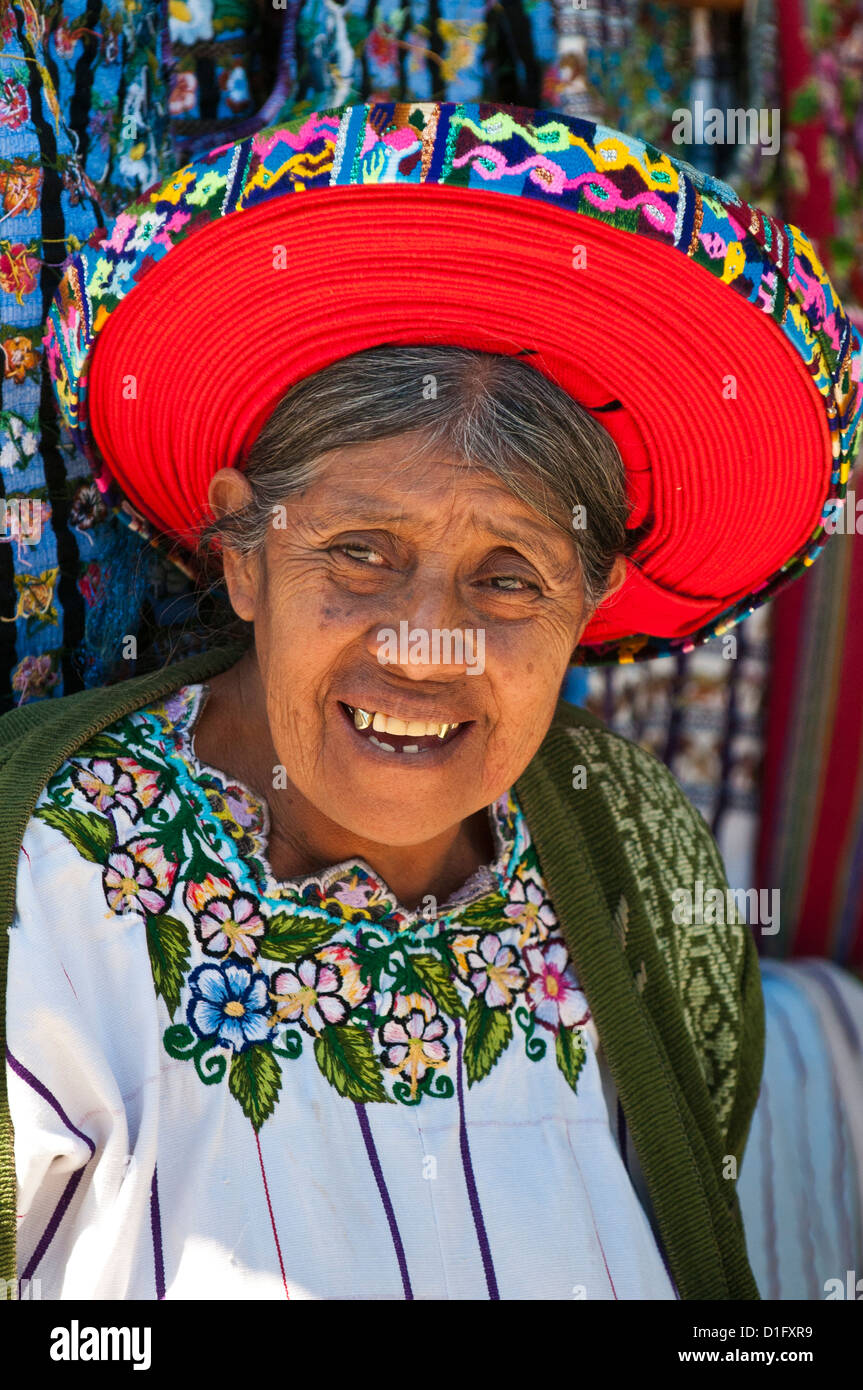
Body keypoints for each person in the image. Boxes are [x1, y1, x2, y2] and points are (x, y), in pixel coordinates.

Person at [0, 99, 860, 1301]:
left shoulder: (631, 853)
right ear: (243, 553)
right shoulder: (35, 883)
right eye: (359, 551)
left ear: (591, 596)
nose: (424, 643)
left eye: (509, 576)